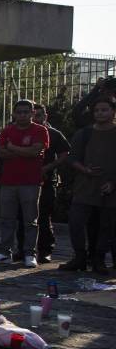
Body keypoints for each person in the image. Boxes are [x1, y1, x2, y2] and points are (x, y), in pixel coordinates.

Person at [0, 100, 48, 268]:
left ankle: (30, 253)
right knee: (7, 219)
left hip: (31, 182)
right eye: (19, 112)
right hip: (8, 181)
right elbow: (1, 153)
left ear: (32, 113)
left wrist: (12, 147)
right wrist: (23, 151)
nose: (22, 115)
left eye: (26, 112)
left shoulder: (40, 130)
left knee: (30, 220)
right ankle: (4, 252)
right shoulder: (7, 130)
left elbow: (35, 151)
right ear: (14, 113)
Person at [61, 97, 116, 274]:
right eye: (97, 110)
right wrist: (85, 170)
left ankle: (98, 259)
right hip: (85, 186)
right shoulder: (84, 134)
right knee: (76, 222)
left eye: (104, 109)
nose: (100, 113)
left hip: (109, 188)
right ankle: (79, 257)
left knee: (106, 227)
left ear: (113, 111)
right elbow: (72, 158)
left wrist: (113, 183)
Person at [30, 103, 71, 263]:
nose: (35, 119)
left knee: (44, 216)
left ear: (45, 116)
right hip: (26, 180)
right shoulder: (23, 131)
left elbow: (65, 154)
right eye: (33, 115)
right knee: (25, 216)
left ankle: (45, 250)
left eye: (39, 115)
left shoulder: (53, 134)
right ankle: (24, 249)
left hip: (47, 181)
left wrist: (48, 167)